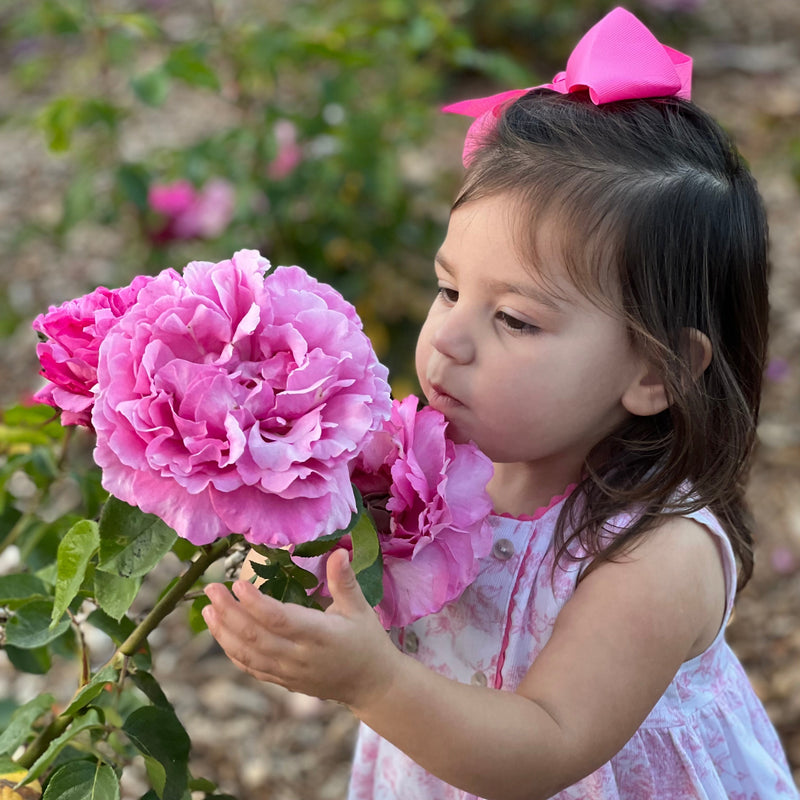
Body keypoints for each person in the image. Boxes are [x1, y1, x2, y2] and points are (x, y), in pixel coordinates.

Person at [202, 8, 799, 799]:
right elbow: (340, 572)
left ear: (658, 370)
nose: (448, 340)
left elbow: (547, 745)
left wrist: (373, 683)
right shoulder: (425, 460)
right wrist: (286, 546)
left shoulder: (656, 554)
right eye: (449, 289)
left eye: (514, 319)